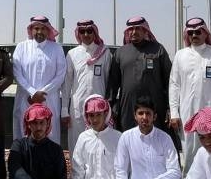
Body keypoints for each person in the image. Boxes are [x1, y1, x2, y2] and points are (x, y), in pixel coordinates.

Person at [168, 18, 211, 171]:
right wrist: (174, 113)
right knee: (189, 154)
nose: (194, 35)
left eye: (198, 32)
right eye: (190, 33)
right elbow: (174, 85)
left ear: (205, 33)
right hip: (188, 114)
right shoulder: (180, 55)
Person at [106, 16, 173, 134]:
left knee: (155, 139)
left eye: (137, 28)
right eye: (130, 29)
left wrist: (170, 108)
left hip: (154, 109)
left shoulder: (158, 50)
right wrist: (111, 108)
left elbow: (169, 81)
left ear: (145, 30)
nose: (133, 32)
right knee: (128, 138)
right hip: (127, 109)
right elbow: (113, 84)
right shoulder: (120, 53)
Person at [12, 15, 67, 143]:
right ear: (31, 30)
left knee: (50, 137)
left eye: (43, 29)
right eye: (36, 28)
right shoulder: (21, 47)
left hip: (49, 100)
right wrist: (32, 92)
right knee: (24, 136)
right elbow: (17, 73)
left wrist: (43, 93)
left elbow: (60, 75)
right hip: (25, 99)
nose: (39, 32)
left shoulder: (56, 48)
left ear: (48, 30)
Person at [60, 20, 111, 151]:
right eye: (82, 31)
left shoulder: (105, 53)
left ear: (95, 32)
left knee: (99, 143)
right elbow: (66, 84)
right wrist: (64, 109)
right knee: (76, 143)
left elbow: (109, 82)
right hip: (77, 107)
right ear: (78, 33)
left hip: (99, 108)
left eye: (89, 31)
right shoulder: (72, 54)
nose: (86, 34)